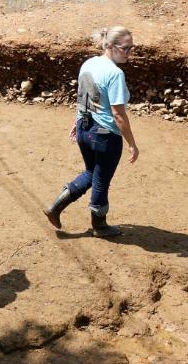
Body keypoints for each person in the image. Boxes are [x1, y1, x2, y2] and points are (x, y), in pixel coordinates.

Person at [43, 27, 139, 237]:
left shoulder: (89, 63)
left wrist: (77, 122)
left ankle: (55, 208)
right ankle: (100, 225)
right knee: (101, 180)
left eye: (132, 47)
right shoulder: (115, 74)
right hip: (104, 135)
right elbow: (118, 114)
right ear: (111, 46)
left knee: (91, 172)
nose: (129, 52)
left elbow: (82, 97)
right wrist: (131, 143)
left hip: (84, 130)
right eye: (125, 48)